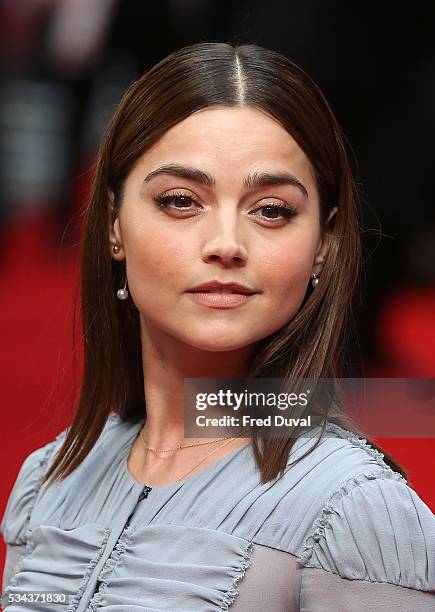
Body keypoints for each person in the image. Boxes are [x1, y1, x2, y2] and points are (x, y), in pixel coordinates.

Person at [1, 42, 434, 611]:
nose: (226, 244)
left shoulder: (354, 508)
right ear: (113, 224)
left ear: (323, 246)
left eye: (271, 210)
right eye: (181, 201)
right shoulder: (48, 481)